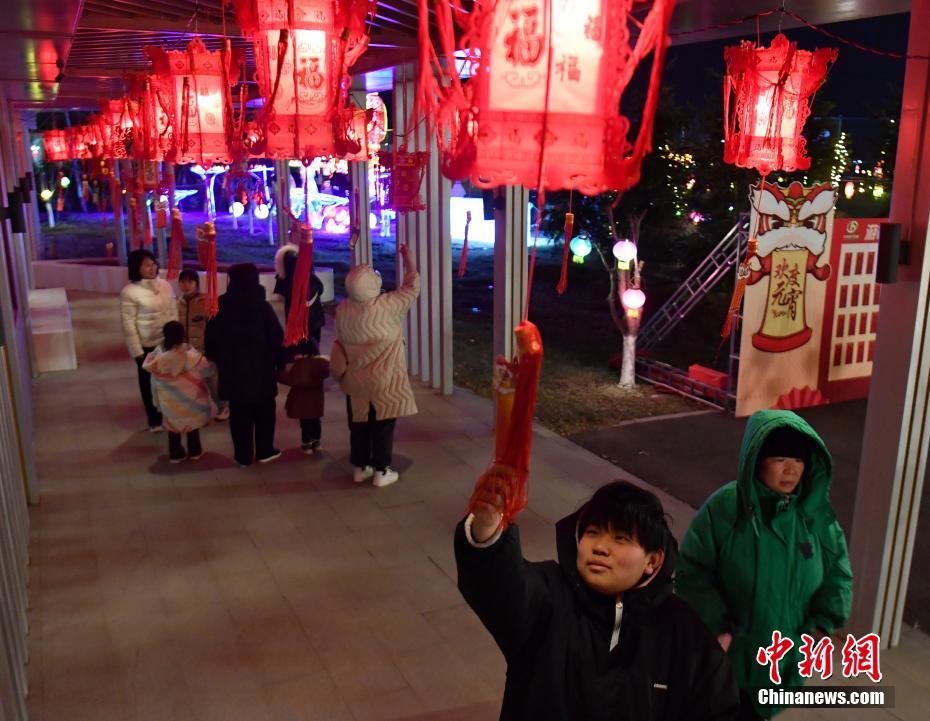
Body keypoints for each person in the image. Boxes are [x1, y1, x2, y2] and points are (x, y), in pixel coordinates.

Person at [456, 479, 740, 721]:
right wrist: (486, 530)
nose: (601, 548)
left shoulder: (679, 628)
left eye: (620, 538)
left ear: (653, 560)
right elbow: (500, 587)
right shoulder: (549, 596)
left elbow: (718, 706)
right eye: (593, 533)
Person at [676, 410, 853, 720]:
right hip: (728, 660)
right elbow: (693, 569)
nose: (791, 470)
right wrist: (717, 627)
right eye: (779, 459)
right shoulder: (726, 508)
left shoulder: (815, 517)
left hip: (783, 661)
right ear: (757, 459)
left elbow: (838, 573)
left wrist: (818, 629)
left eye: (798, 460)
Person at [330, 244, 419, 488]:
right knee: (383, 425)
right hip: (384, 380)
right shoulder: (390, 306)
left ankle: (360, 467)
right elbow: (412, 288)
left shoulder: (343, 310)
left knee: (359, 424)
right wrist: (408, 260)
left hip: (355, 381)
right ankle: (382, 470)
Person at [204, 263, 284, 467]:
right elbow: (276, 338)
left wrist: (218, 358)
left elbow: (210, 340)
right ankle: (265, 450)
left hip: (233, 372)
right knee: (264, 412)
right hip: (261, 372)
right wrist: (280, 363)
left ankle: (243, 455)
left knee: (239, 414)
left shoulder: (220, 306)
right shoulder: (262, 307)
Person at [120, 248, 178, 431]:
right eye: (146, 265)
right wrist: (137, 352)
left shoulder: (165, 286)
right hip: (147, 345)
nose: (152, 268)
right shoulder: (129, 292)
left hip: (167, 342)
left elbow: (173, 311)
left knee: (170, 381)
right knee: (148, 384)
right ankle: (154, 419)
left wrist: (176, 338)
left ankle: (172, 414)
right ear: (137, 268)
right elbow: (128, 324)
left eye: (153, 264)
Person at [142, 321, 212, 463]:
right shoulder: (191, 356)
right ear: (182, 335)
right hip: (192, 400)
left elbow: (154, 383)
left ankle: (176, 453)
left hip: (170, 403)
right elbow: (207, 369)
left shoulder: (158, 359)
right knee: (192, 426)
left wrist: (156, 401)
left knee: (173, 429)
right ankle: (195, 450)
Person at [177, 269, 229, 420]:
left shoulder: (206, 302)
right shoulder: (177, 303)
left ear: (196, 284)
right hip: (186, 352)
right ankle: (199, 411)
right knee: (192, 384)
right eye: (183, 281)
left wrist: (213, 349)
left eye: (190, 281)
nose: (186, 285)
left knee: (212, 382)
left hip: (204, 350)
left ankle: (223, 407)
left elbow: (215, 327)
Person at [277, 338, 330, 454]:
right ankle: (317, 442)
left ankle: (307, 444)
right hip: (316, 400)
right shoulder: (320, 364)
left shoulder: (301, 365)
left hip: (302, 402)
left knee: (305, 423)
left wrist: (279, 374)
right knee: (316, 421)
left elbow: (293, 379)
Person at [273, 243, 326, 344]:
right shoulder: (312, 280)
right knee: (313, 345)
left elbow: (281, 294)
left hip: (294, 323)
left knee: (297, 346)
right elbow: (320, 289)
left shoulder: (285, 281)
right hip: (313, 321)